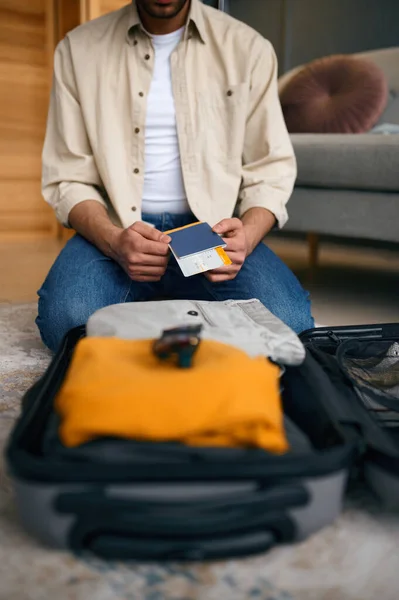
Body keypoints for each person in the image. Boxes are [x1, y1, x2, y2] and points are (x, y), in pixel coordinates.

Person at [37, 0, 314, 352]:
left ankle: (149, 310)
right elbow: (68, 174)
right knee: (67, 321)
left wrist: (247, 234)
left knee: (291, 323)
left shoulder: (248, 47)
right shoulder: (77, 50)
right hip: (119, 227)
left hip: (209, 231)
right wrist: (112, 241)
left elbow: (269, 168)